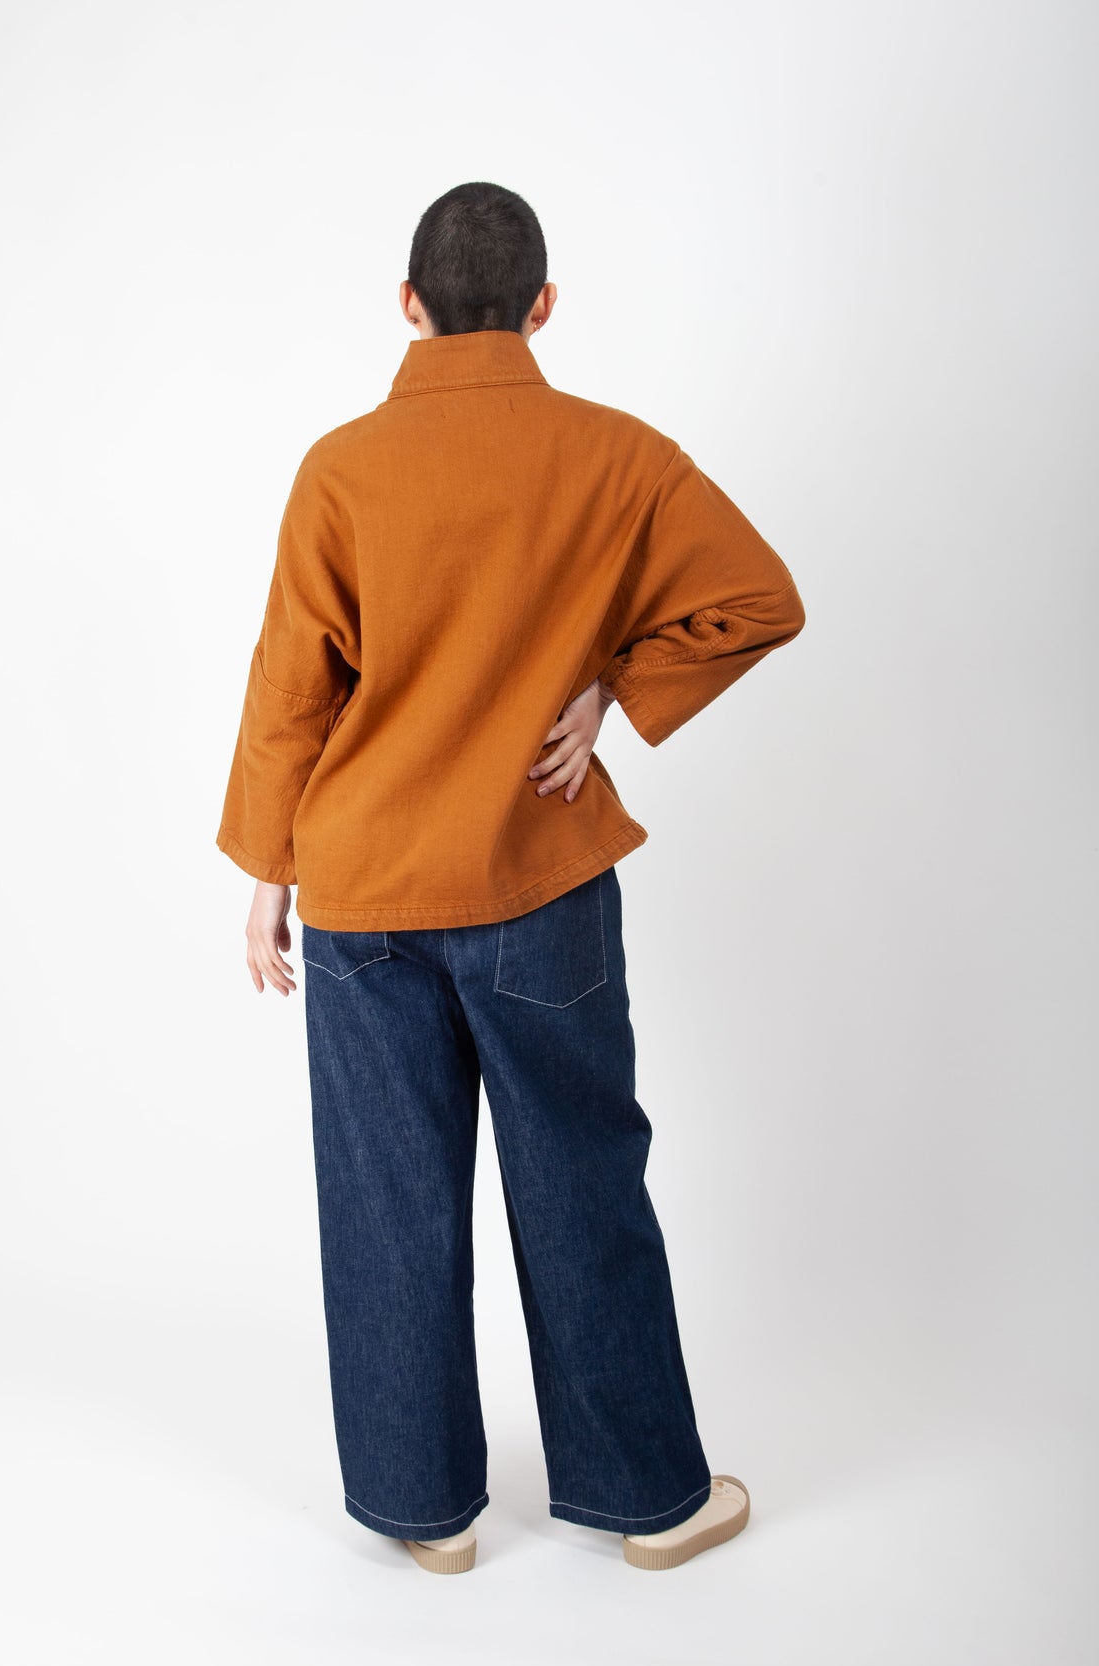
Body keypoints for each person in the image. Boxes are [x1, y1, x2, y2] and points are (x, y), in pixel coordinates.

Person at [216, 182, 806, 1575]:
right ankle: (650, 1502)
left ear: (408, 305)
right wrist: (613, 690)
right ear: (542, 306)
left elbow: (292, 686)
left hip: (363, 896)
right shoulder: (617, 456)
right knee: (584, 1182)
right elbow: (761, 599)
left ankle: (423, 1516)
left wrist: (267, 873)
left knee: (387, 1205)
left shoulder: (340, 470)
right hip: (538, 881)